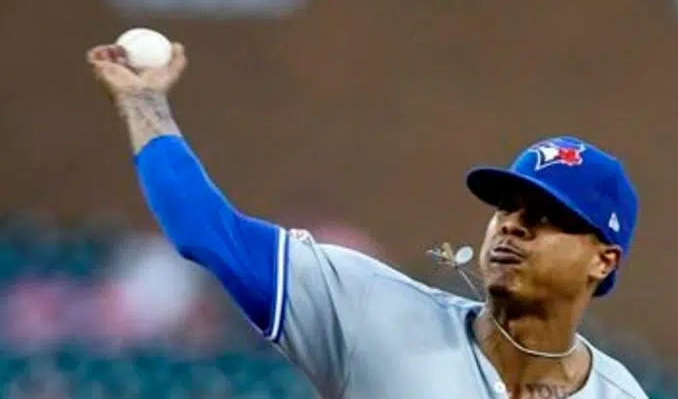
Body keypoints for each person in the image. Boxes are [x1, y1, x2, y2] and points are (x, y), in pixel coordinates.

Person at [86, 41, 648, 399]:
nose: (512, 225)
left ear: (603, 259)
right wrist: (145, 105)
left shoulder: (618, 393)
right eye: (506, 207)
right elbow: (209, 233)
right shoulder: (371, 312)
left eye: (548, 218)